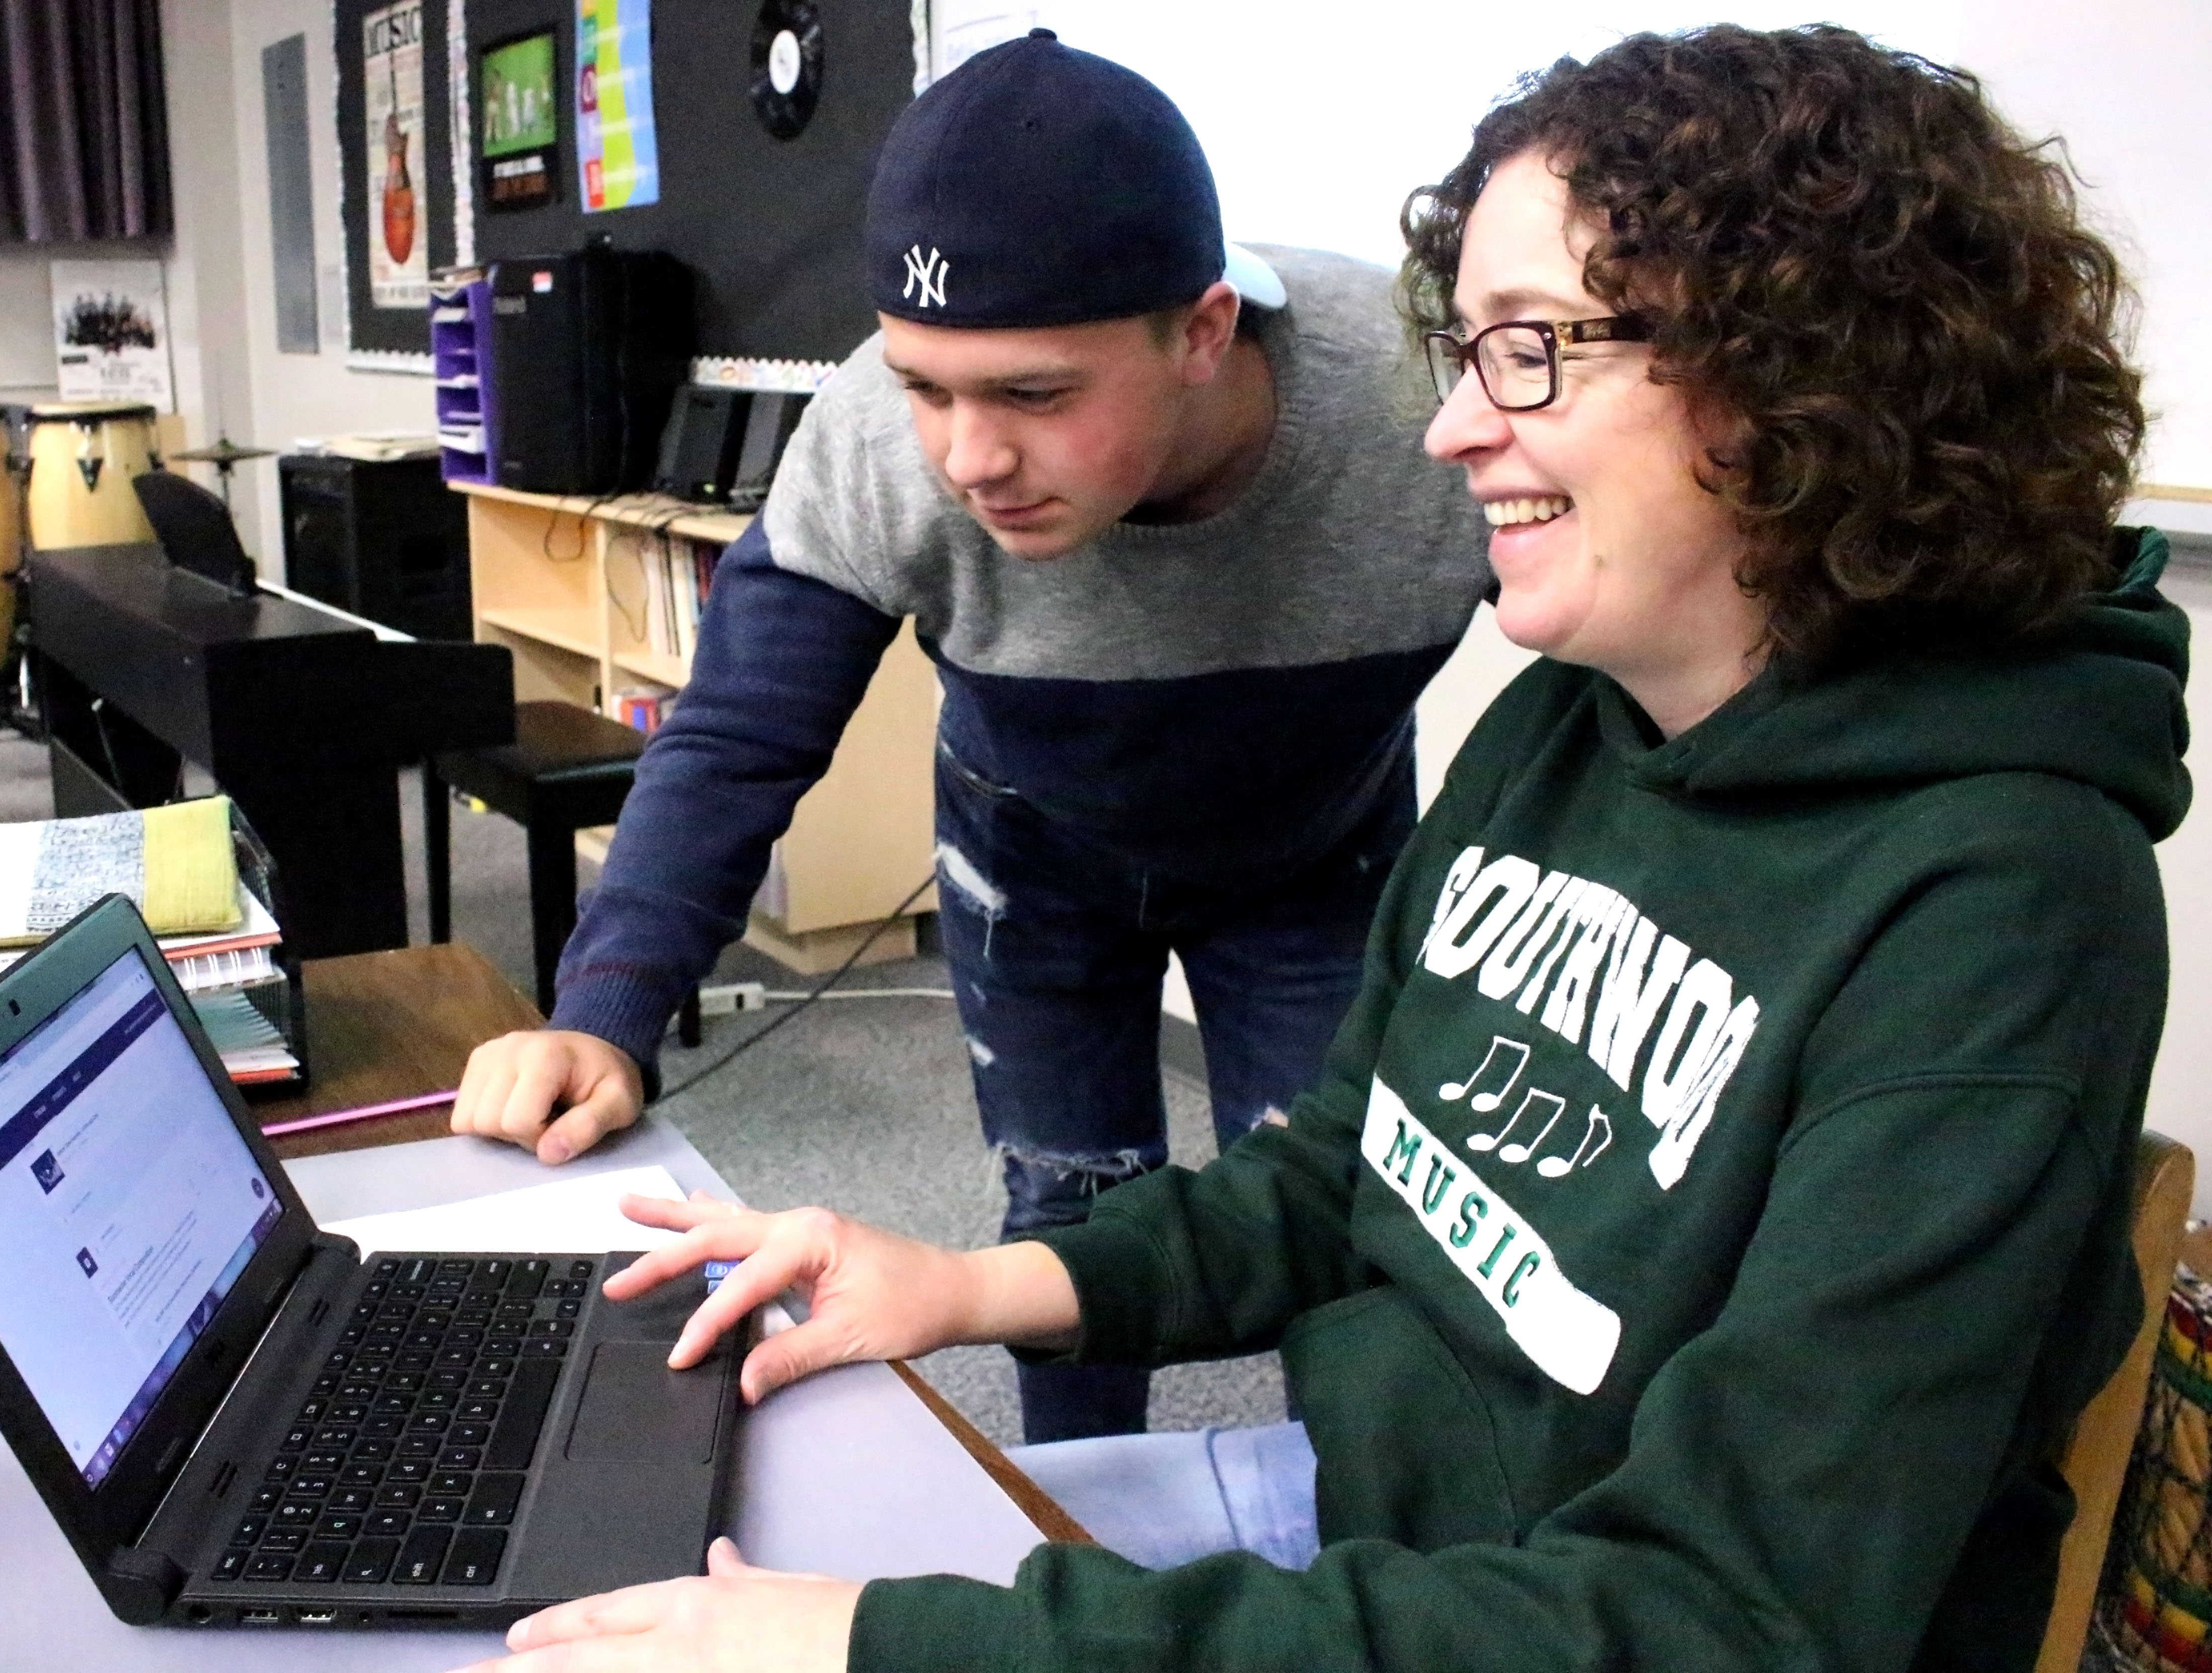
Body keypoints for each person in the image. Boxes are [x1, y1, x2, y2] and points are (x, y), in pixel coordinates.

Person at [457, 22, 2192, 1673]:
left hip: (1545, 1607)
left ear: (1804, 372)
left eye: (1529, 348)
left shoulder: (1995, 907)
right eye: (1470, 350)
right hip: (1366, 1500)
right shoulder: (1578, 723)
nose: (1451, 429)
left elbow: (1724, 1622)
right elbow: (1355, 1169)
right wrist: (961, 1276)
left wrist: (901, 1646)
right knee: (639, 1578)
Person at [449, 32, 1492, 1441]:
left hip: (1317, 859)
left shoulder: (1428, 401)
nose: (967, 459)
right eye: (925, 383)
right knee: (1065, 1216)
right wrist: (606, 1004)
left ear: (1200, 330)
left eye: (1034, 396)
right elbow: (739, 733)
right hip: (1035, 864)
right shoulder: (882, 441)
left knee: (1342, 1231)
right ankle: (1077, 1554)